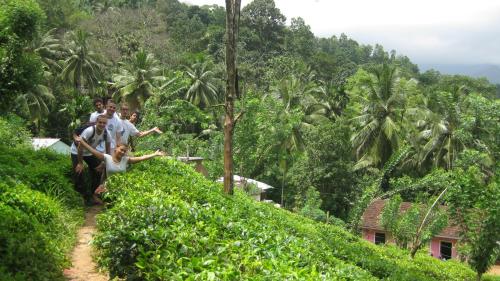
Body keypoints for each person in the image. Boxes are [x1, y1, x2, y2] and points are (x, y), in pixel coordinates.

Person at [75, 135, 166, 177]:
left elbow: (141, 158)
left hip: (121, 185)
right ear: (116, 149)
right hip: (108, 185)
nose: (122, 152)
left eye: (124, 151)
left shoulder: (126, 160)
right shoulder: (107, 158)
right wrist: (82, 142)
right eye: (121, 150)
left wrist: (155, 154)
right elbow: (92, 150)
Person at [71, 115, 110, 205]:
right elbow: (80, 147)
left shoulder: (106, 133)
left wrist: (104, 162)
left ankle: (94, 195)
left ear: (106, 124)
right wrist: (80, 163)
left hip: (89, 153)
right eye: (100, 122)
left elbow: (108, 151)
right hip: (76, 151)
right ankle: (82, 196)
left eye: (104, 123)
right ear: (96, 122)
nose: (102, 124)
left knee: (99, 171)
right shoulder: (89, 131)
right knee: (78, 172)